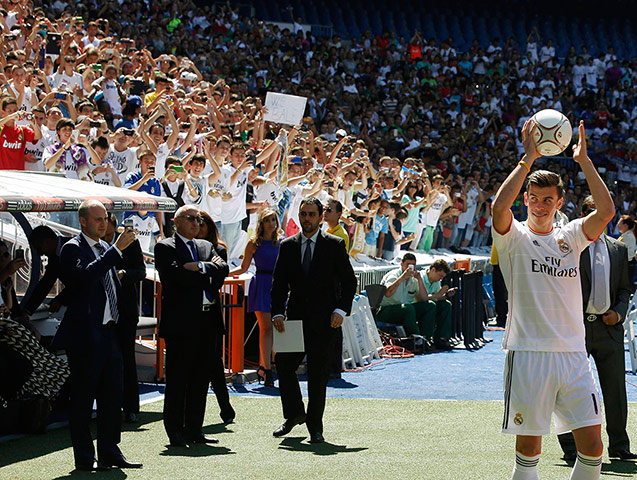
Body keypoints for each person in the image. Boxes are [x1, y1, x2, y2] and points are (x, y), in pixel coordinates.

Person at [492, 120, 614, 480]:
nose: (540, 205)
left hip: (574, 355)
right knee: (529, 449)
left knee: (593, 447)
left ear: (560, 202)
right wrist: (526, 161)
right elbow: (500, 208)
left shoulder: (572, 236)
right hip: (529, 353)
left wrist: (584, 162)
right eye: (534, 198)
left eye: (548, 199)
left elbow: (605, 212)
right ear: (526, 199)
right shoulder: (512, 236)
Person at [54, 200, 141, 471]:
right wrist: (115, 251)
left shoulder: (105, 248)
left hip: (109, 331)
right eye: (97, 219)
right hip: (83, 335)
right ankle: (83, 456)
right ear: (82, 221)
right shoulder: (72, 248)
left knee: (112, 396)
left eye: (105, 218)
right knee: (82, 398)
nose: (103, 224)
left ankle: (109, 451)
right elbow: (84, 277)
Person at [270, 197, 357, 443]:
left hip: (325, 320)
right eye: (303, 214)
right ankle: (295, 414)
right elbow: (278, 284)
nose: (306, 218)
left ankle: (315, 428)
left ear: (320, 217)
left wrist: (341, 310)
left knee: (318, 375)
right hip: (293, 320)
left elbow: (349, 282)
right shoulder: (287, 245)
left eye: (311, 214)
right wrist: (277, 312)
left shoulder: (335, 244)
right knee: (284, 367)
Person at [558, 196, 636, 461]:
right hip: (574, 329)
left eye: (603, 213)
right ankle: (571, 448)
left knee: (615, 389)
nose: (598, 217)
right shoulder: (568, 247)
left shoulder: (618, 248)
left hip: (608, 328)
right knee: (568, 390)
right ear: (582, 215)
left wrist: (619, 313)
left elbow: (626, 288)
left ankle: (619, 446)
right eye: (592, 212)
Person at [154, 205, 229, 447]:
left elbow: (223, 269)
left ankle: (194, 428)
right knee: (178, 378)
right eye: (191, 218)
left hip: (208, 321)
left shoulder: (206, 247)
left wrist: (200, 267)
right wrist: (206, 274)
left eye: (198, 219)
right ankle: (174, 429)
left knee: (200, 378)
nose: (196, 223)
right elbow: (177, 279)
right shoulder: (165, 247)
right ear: (177, 221)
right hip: (182, 324)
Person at [230, 208, 283, 387]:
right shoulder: (254, 243)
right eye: (267, 220)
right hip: (261, 284)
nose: (271, 224)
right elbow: (243, 268)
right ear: (261, 223)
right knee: (266, 328)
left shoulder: (281, 243)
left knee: (279, 328)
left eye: (273, 220)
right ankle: (266, 368)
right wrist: (225, 274)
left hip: (277, 285)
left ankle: (272, 366)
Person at [103, 214, 145, 424]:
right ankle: (105, 406)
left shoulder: (130, 242)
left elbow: (140, 271)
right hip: (101, 311)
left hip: (125, 309)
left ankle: (130, 407)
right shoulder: (92, 245)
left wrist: (124, 274)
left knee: (126, 357)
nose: (103, 229)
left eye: (106, 224)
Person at [196, 211, 235, 424]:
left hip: (210, 312)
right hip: (192, 314)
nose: (197, 228)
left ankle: (225, 406)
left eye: (201, 224)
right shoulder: (188, 249)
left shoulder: (218, 249)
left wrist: (197, 271)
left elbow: (218, 278)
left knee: (214, 363)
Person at [377, 253, 437, 346]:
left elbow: (424, 298)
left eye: (412, 265)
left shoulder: (414, 279)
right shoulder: (393, 275)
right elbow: (388, 293)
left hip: (405, 310)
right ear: (401, 264)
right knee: (408, 308)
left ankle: (426, 338)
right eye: (407, 265)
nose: (410, 268)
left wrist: (420, 279)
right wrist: (402, 278)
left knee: (430, 305)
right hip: (387, 310)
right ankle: (415, 338)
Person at [421, 259, 457, 350]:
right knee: (431, 305)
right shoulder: (420, 278)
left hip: (429, 305)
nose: (441, 279)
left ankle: (441, 338)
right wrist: (439, 294)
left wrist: (445, 295)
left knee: (445, 305)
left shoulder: (436, 281)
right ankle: (427, 339)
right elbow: (421, 298)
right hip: (417, 305)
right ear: (433, 270)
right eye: (440, 276)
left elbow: (436, 297)